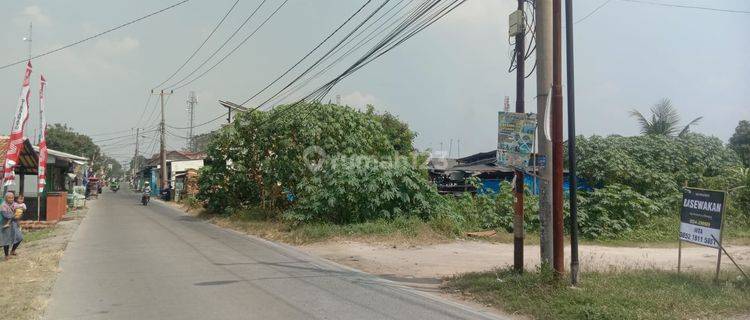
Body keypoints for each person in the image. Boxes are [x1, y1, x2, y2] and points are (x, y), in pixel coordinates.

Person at [1, 192, 22, 260]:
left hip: (14, 224)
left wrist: (20, 211)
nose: (11, 199)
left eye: (12, 197)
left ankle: (12, 251)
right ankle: (6, 255)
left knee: (19, 237)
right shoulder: (3, 205)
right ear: (6, 198)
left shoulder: (14, 204)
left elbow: (20, 209)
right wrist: (15, 216)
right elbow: (6, 216)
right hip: (5, 224)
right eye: (9, 198)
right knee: (6, 240)